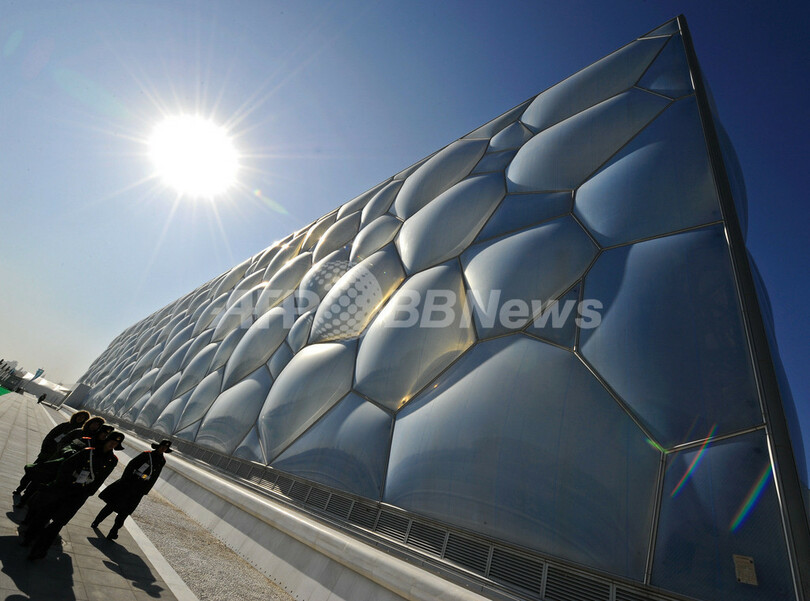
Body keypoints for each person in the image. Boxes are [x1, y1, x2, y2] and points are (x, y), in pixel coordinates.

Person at [23, 432, 125, 560]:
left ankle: (39, 550)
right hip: (64, 488)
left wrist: (88, 492)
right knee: (45, 515)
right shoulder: (88, 451)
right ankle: (28, 537)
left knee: (58, 523)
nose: (112, 444)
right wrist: (61, 484)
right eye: (111, 441)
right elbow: (66, 466)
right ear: (106, 440)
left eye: (116, 443)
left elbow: (100, 479)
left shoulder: (112, 460)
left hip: (79, 494)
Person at [16, 416, 107, 507]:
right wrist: (65, 451)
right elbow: (63, 442)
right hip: (59, 460)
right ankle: (24, 499)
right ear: (89, 423)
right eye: (94, 423)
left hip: (70, 468)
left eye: (98, 425)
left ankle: (33, 503)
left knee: (50, 486)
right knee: (39, 480)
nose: (95, 426)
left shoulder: (95, 439)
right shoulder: (78, 431)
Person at [93, 439, 172, 540]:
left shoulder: (162, 461)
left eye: (165, 448)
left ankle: (114, 531)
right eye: (162, 446)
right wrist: (124, 480)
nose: (163, 449)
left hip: (139, 489)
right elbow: (131, 466)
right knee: (112, 505)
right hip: (128, 484)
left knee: (125, 512)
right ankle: (97, 521)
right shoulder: (146, 455)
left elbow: (154, 476)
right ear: (158, 446)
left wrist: (145, 490)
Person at [13, 410, 90, 496]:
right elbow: (50, 436)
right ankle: (20, 487)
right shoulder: (64, 426)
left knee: (42, 476)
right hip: (48, 453)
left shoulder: (81, 433)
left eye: (83, 418)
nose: (80, 418)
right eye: (80, 416)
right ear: (75, 416)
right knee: (33, 470)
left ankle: (29, 493)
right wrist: (44, 448)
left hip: (57, 457)